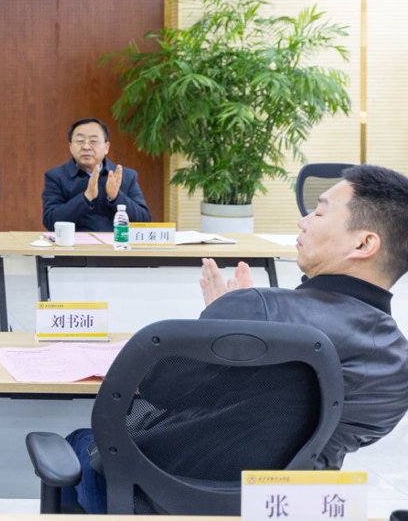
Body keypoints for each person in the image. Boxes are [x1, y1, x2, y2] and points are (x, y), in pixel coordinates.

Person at [65, 164, 408, 512]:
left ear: (364, 243)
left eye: (319, 212)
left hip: (156, 494)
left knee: (77, 444)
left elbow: (159, 389)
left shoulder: (257, 308)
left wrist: (225, 322)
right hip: (284, 508)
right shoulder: (396, 363)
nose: (302, 221)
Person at [42, 117, 150, 231]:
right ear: (70, 147)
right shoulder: (56, 176)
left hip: (115, 241)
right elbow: (50, 222)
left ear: (106, 147)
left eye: (93, 141)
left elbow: (144, 220)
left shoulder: (126, 176)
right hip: (74, 242)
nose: (86, 147)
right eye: (80, 141)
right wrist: (86, 197)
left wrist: (116, 197)